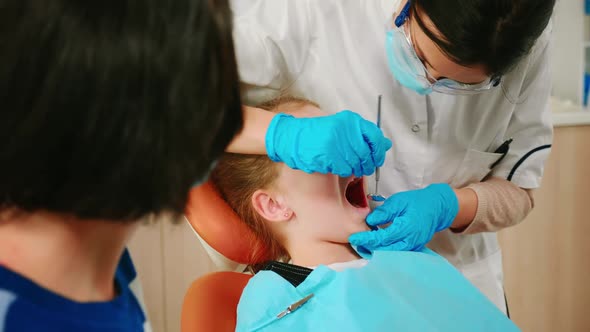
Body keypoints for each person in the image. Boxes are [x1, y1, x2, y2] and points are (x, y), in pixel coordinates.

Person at [230, 0, 556, 312]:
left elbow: (519, 187)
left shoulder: (522, 35)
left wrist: (450, 206)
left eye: (459, 84)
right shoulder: (281, 305)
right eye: (421, 57)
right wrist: (282, 134)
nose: (426, 83)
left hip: (459, 283)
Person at [210, 96, 520, 332]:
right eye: (325, 150)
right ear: (273, 205)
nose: (349, 157)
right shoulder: (273, 299)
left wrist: (451, 203)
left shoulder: (408, 258)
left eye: (342, 138)